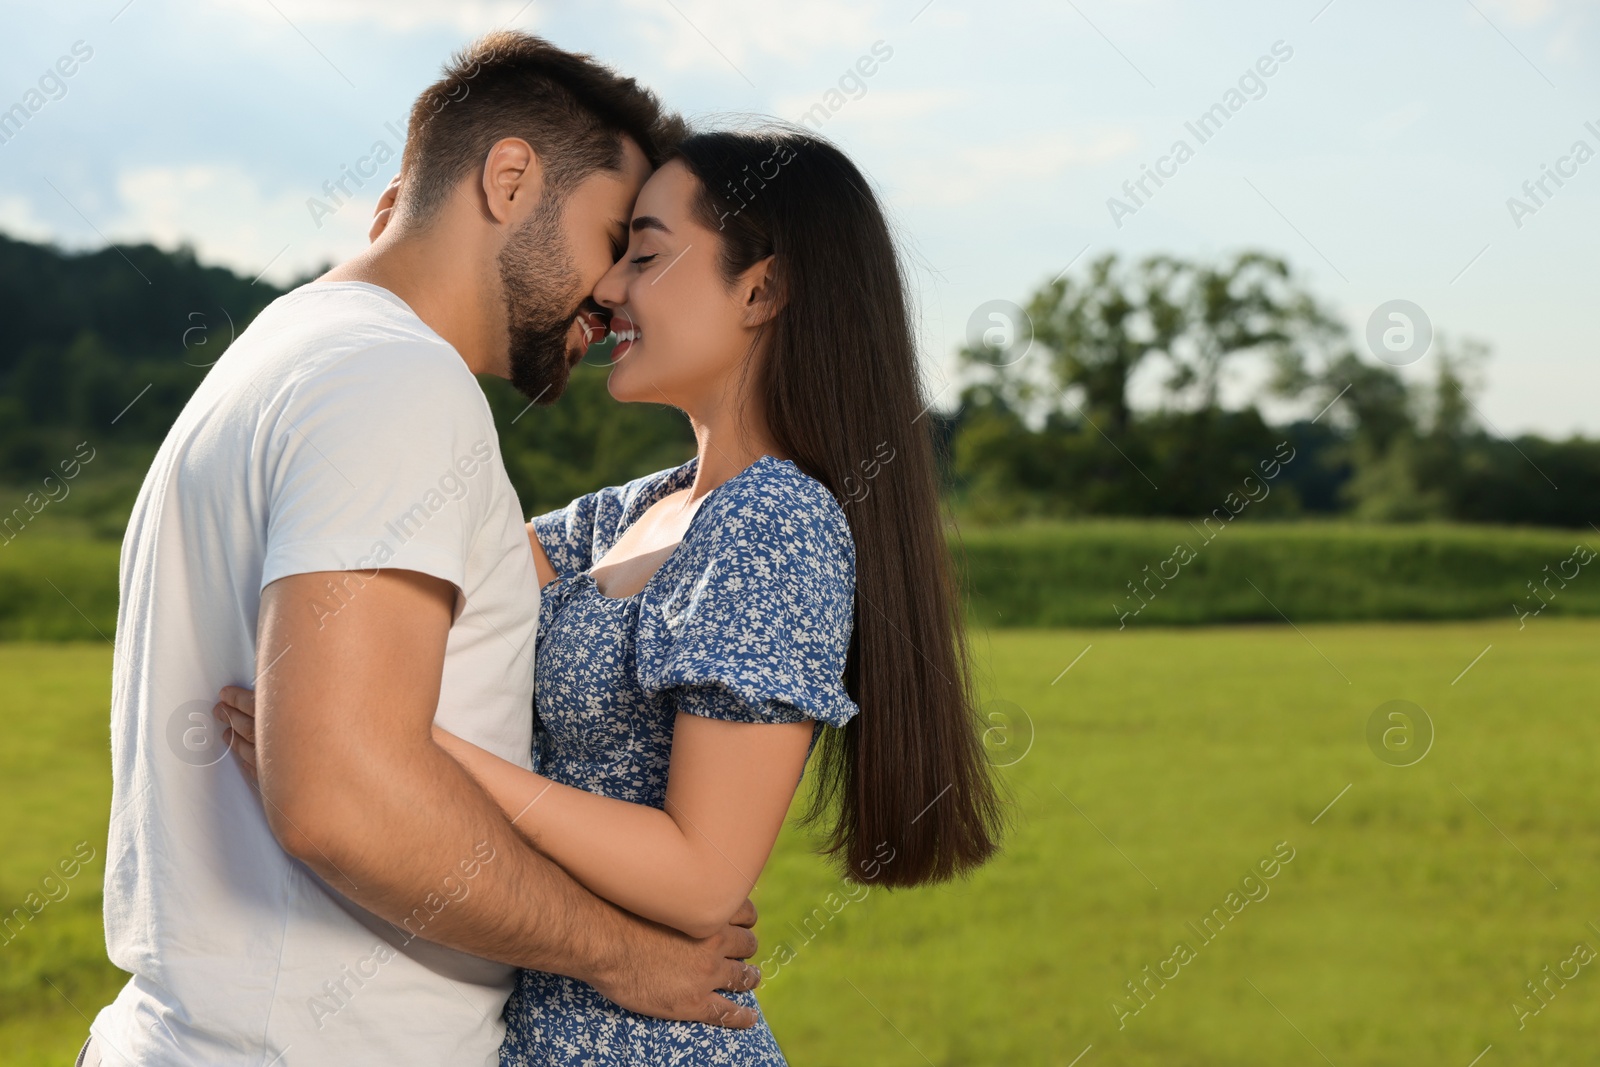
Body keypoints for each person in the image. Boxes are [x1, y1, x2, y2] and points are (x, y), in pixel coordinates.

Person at [216, 126, 1006, 1065]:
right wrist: (400, 286)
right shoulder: (630, 513)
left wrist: (396, 750)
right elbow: (415, 537)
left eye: (646, 253)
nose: (610, 286)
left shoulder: (778, 523)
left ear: (762, 289)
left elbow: (703, 876)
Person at [84, 33, 766, 1067]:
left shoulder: (285, 352)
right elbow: (340, 793)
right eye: (612, 238)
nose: (619, 292)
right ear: (508, 178)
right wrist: (623, 953)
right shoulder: (395, 382)